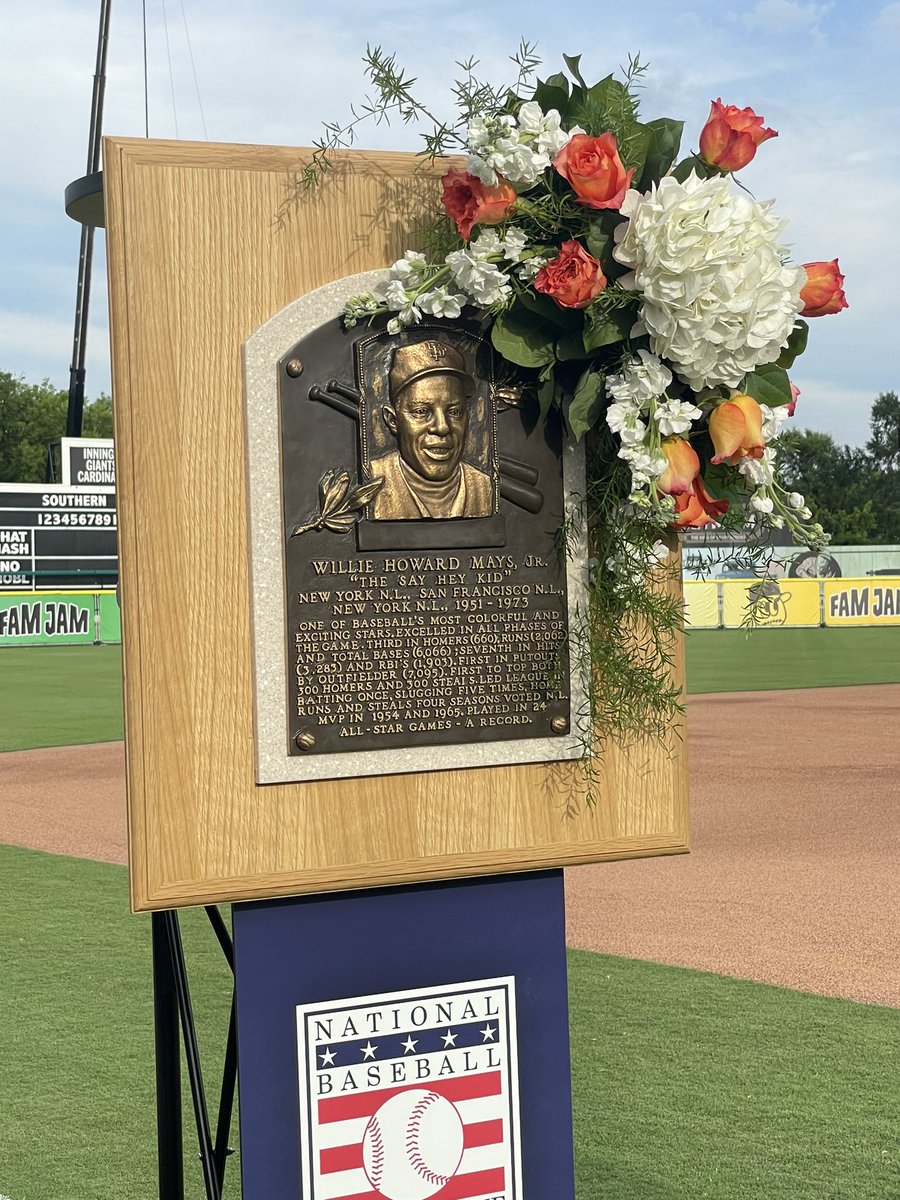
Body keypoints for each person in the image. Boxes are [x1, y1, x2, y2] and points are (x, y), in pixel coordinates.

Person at [370, 340, 494, 520]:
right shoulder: (371, 482)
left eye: (454, 412)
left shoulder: (484, 487)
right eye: (421, 411)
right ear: (393, 420)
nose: (442, 427)